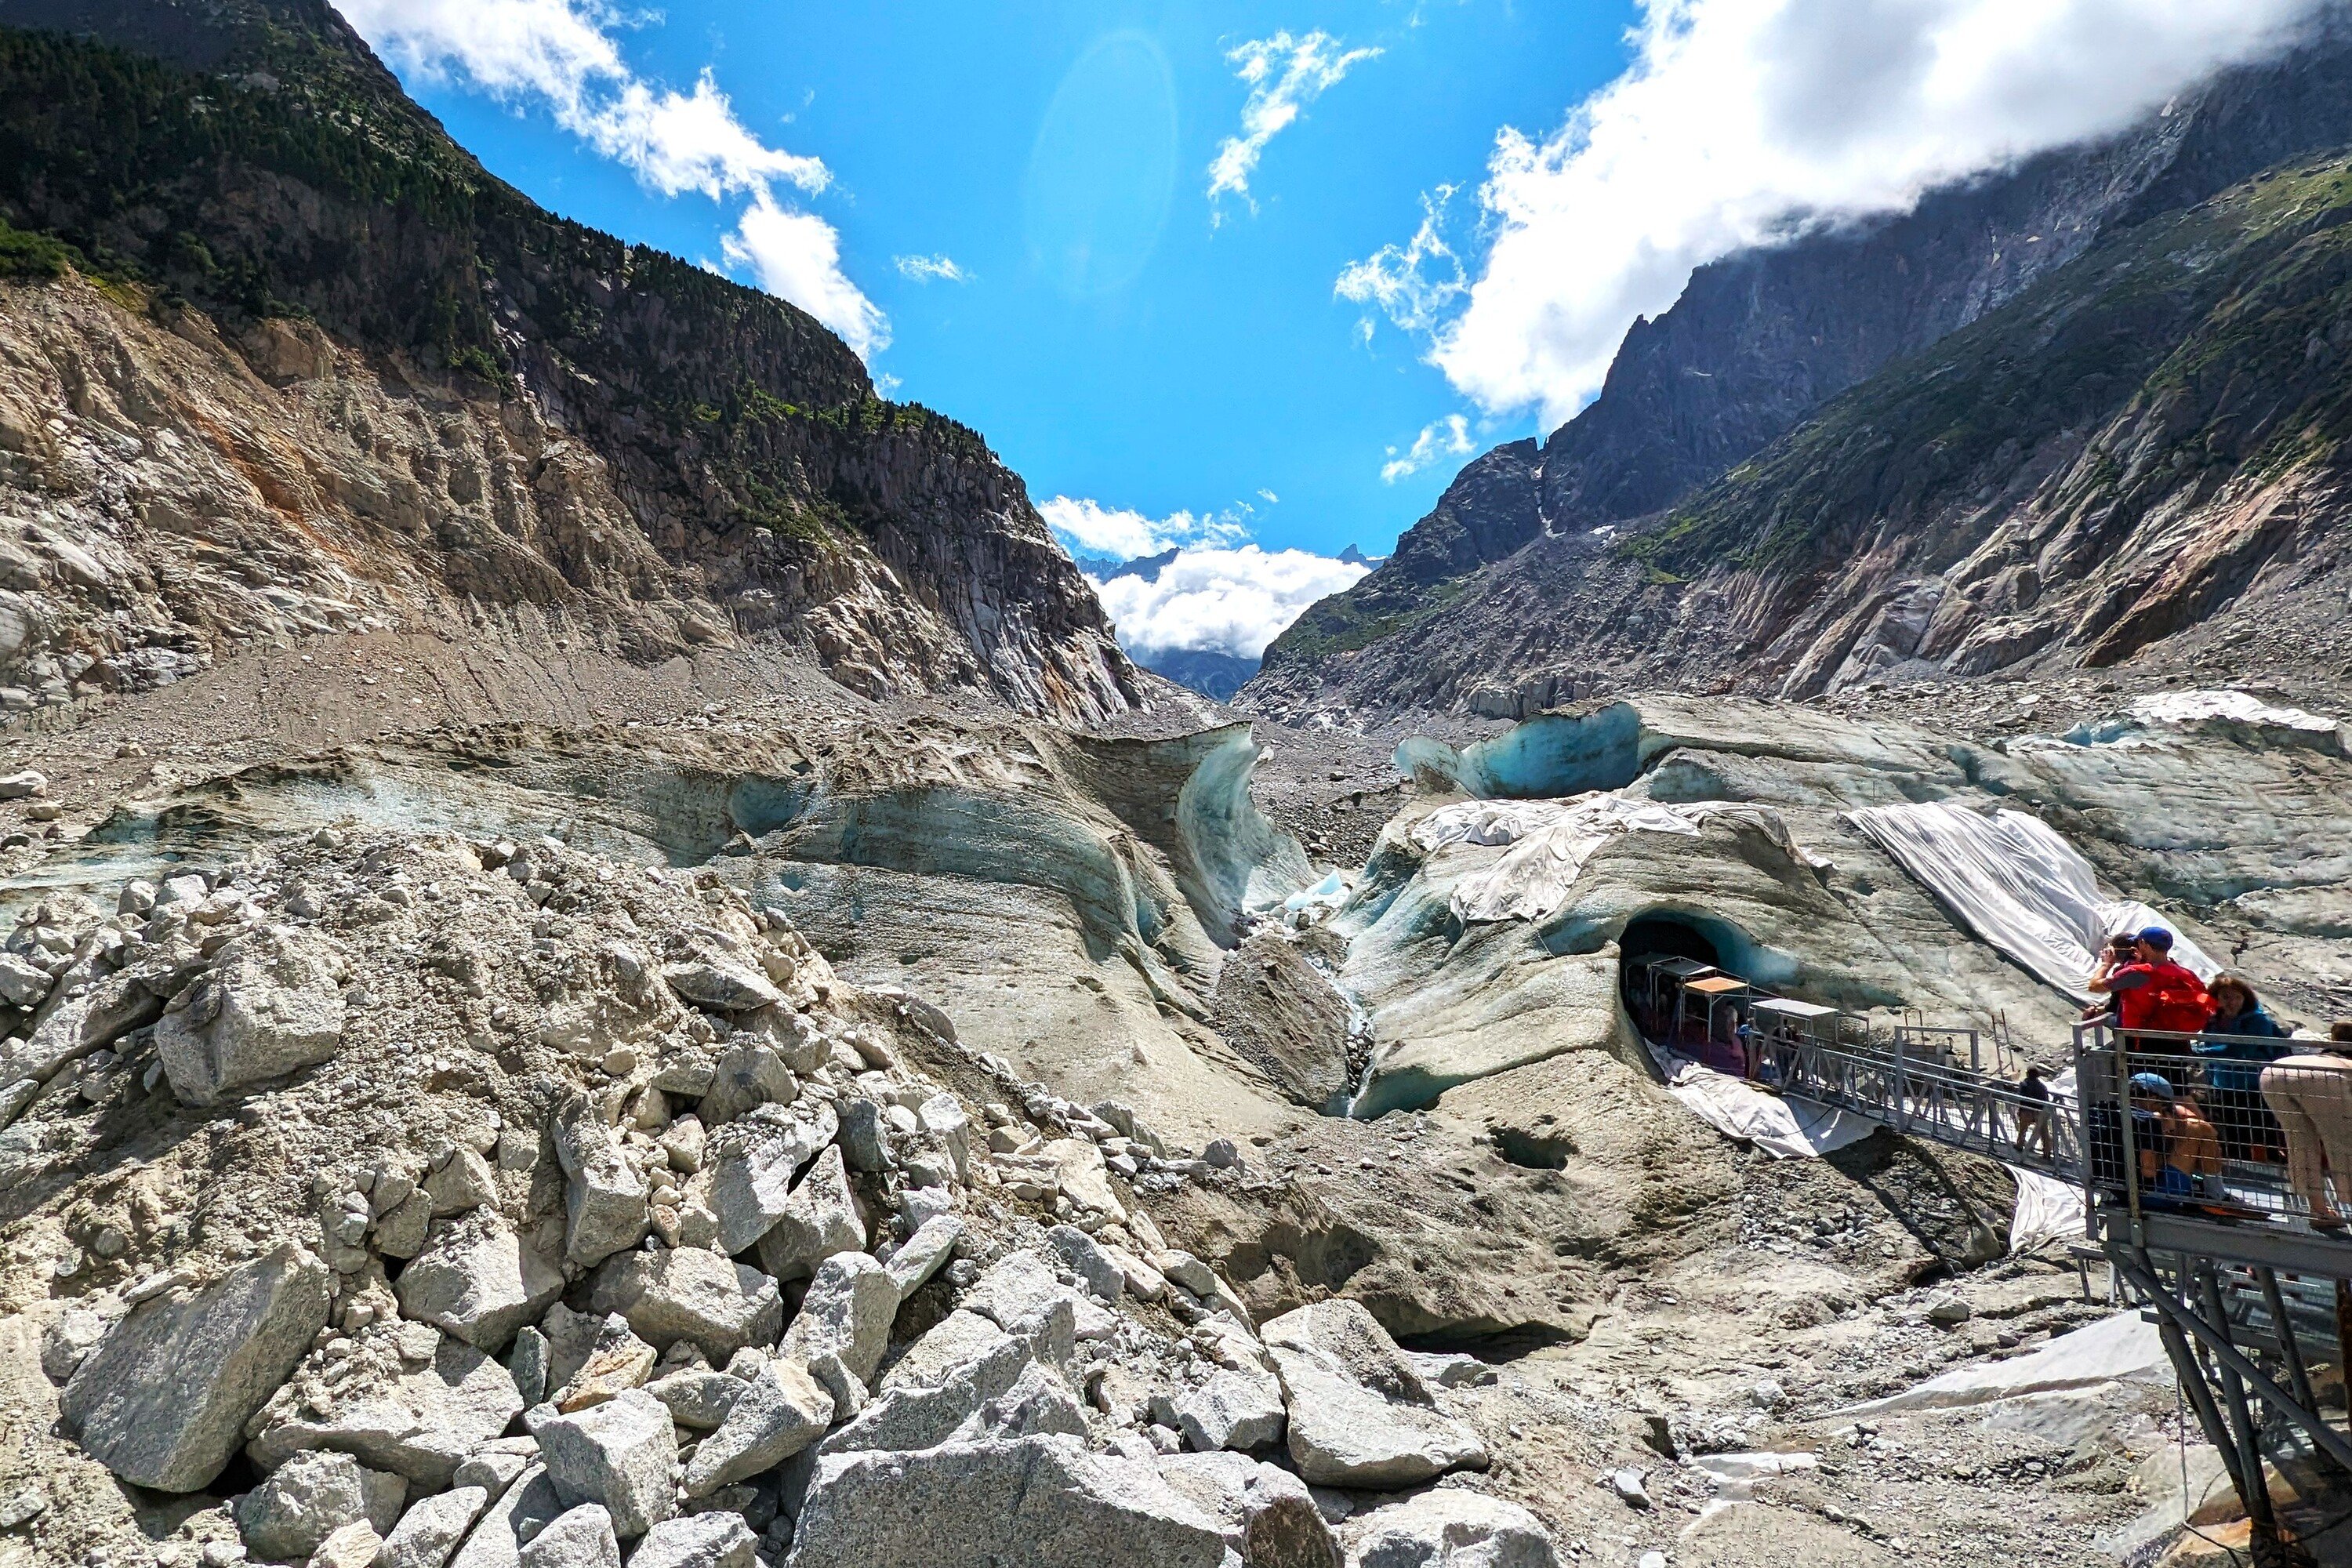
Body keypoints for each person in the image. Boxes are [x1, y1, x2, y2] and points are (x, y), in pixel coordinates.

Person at [2088, 927, 2214, 1082]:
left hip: (2141, 1044)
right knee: (2179, 1095)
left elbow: (2094, 986)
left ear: (2143, 943)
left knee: (2142, 1093)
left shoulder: (2136, 972)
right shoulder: (2184, 973)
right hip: (2177, 1043)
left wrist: (2106, 964)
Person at [2191, 972, 2292, 1163]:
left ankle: (2275, 1167)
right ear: (2216, 999)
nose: (2233, 1002)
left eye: (2237, 997)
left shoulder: (2258, 1021)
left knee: (2265, 1130)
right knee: (2233, 1133)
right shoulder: (2213, 1021)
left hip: (2256, 1085)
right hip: (2224, 1085)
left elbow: (2239, 1048)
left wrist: (2197, 1052)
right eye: (2226, 997)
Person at [2259, 1023, 2352, 1231]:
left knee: (2299, 1142)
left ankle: (2317, 1211)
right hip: (2324, 1077)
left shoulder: (2327, 1052)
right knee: (2343, 1143)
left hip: (2276, 1071)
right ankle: (2347, 1201)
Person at [2128, 1073, 2224, 1198]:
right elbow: (2149, 1172)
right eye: (2163, 1105)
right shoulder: (2150, 1122)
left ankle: (2211, 1191)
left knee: (2196, 1128)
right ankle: (2217, 1195)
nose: (2163, 1110)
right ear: (2152, 1098)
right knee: (2198, 1128)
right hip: (2150, 1195)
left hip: (2124, 1189)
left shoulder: (2113, 1111)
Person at [2013, 1064, 2055, 1158]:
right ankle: (2047, 1151)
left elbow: (2021, 1098)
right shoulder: (2042, 1086)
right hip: (2040, 1111)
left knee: (2023, 1129)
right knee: (2044, 1132)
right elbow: (2045, 1100)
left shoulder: (2024, 1084)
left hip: (2027, 1110)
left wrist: (2020, 1110)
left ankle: (2020, 1145)